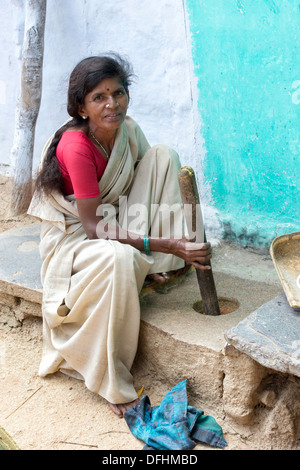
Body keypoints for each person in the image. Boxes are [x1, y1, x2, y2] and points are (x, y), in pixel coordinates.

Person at [28, 53, 212, 418]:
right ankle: (111, 381)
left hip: (116, 217)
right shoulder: (76, 146)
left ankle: (159, 264)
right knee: (121, 256)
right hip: (78, 237)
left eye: (118, 93)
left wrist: (169, 244)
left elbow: (149, 179)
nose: (112, 104)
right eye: (99, 97)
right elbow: (94, 227)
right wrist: (164, 242)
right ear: (81, 107)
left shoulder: (127, 129)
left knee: (162, 155)